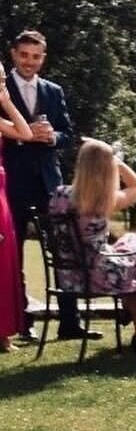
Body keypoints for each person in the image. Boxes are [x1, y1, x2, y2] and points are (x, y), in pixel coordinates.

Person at [1, 30, 95, 342]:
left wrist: (53, 137)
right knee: (13, 255)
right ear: (14, 54)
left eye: (36, 56)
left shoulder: (53, 91)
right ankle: (23, 323)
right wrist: (24, 135)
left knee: (65, 251)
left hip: (49, 182)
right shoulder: (1, 87)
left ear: (43, 58)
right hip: (11, 181)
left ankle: (70, 323)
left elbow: (68, 133)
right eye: (24, 55)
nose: (29, 62)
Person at [47, 139, 136, 354]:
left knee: (131, 247)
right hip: (98, 275)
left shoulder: (59, 194)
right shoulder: (105, 199)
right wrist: (118, 162)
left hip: (67, 276)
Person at [0, 69, 34, 352]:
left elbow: (26, 133)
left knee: (4, 265)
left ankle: (2, 335)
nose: (1, 84)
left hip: (2, 200)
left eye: (2, 80)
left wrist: (7, 102)